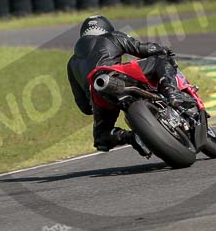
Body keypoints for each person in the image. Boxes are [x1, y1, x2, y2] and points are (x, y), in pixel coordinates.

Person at [66, 15, 185, 152]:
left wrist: (96, 107)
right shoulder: (112, 36)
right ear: (107, 28)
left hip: (99, 93)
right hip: (118, 74)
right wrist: (163, 49)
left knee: (101, 137)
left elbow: (84, 107)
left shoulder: (72, 63)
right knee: (160, 60)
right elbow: (142, 49)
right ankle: (172, 93)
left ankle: (131, 137)